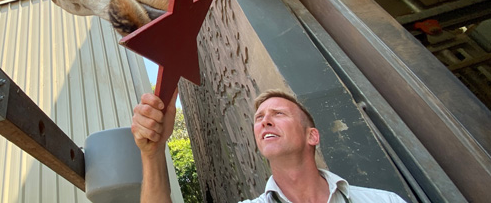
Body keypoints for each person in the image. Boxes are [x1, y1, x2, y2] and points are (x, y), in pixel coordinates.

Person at [131, 89, 408, 203]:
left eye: (279, 114)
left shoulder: (385, 201)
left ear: (312, 136)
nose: (265, 122)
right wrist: (152, 153)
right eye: (259, 118)